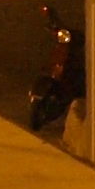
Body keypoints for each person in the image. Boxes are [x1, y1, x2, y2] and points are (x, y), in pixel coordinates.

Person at [26, 9, 84, 144]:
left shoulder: (86, 31)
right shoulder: (64, 36)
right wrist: (52, 21)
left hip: (76, 63)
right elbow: (59, 26)